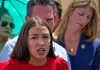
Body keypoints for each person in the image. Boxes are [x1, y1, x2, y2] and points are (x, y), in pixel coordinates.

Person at [1, 0, 71, 69]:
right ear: (27, 19)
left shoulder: (61, 59)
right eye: (38, 19)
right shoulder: (10, 48)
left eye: (49, 19)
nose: (43, 24)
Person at [53, 0, 98, 70]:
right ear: (70, 11)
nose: (84, 20)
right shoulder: (52, 42)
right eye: (81, 14)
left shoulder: (95, 45)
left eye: (88, 17)